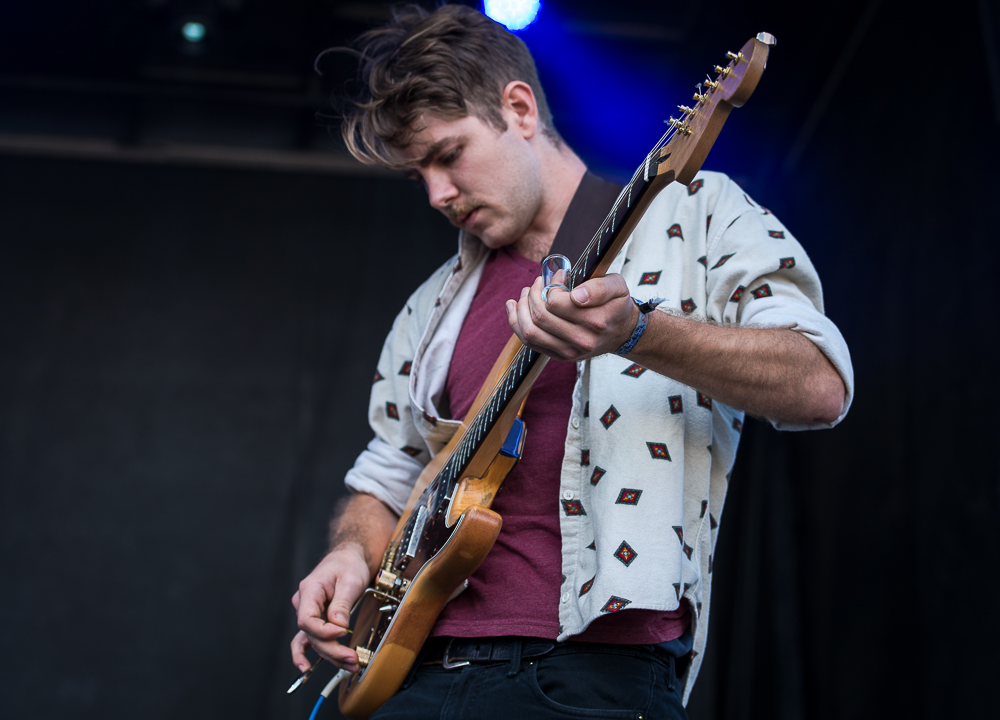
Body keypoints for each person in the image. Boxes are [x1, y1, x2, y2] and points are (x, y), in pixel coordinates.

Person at [290, 5, 853, 718]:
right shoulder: (431, 305)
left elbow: (820, 382)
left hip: (596, 674)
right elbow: (391, 468)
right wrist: (349, 552)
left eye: (447, 154)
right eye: (419, 176)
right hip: (418, 672)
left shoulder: (698, 215)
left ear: (519, 108)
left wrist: (639, 331)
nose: (437, 194)